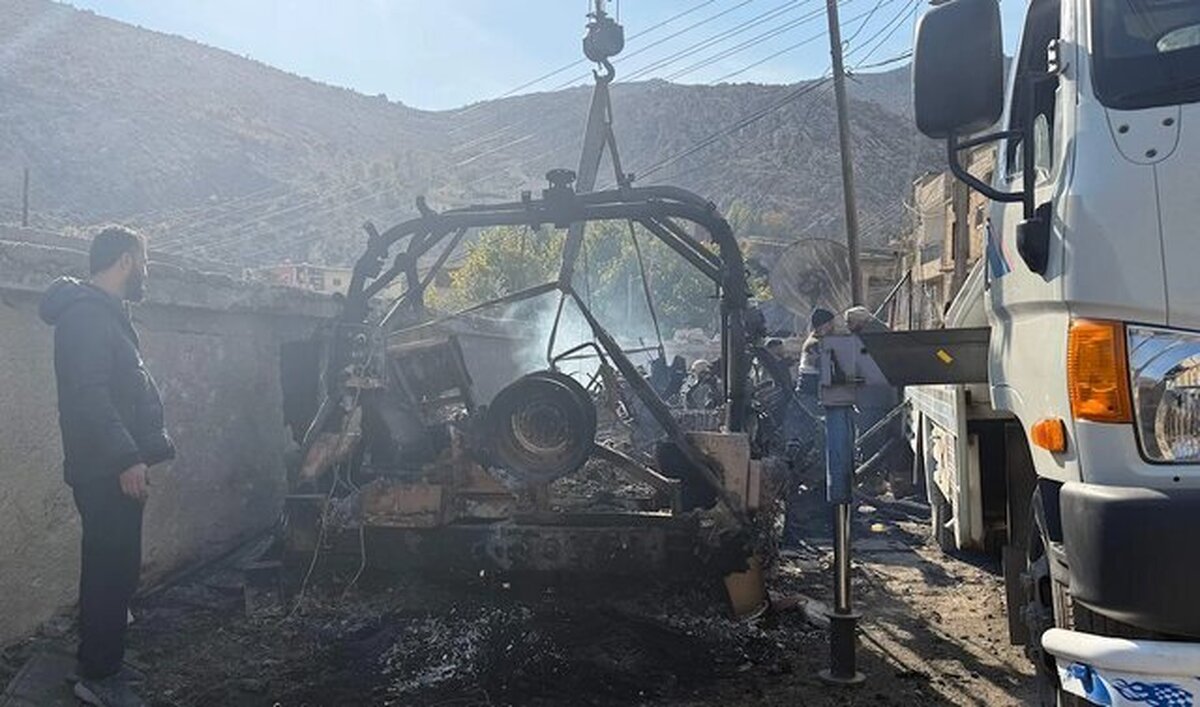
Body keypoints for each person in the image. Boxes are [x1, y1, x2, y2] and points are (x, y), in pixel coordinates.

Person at [39, 227, 175, 707]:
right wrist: (127, 457)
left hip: (110, 466)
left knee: (117, 569)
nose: (146, 272)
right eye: (143, 261)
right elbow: (90, 397)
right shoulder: (87, 318)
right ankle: (97, 676)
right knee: (107, 570)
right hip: (106, 469)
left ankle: (106, 661)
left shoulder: (102, 314)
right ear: (125, 261)